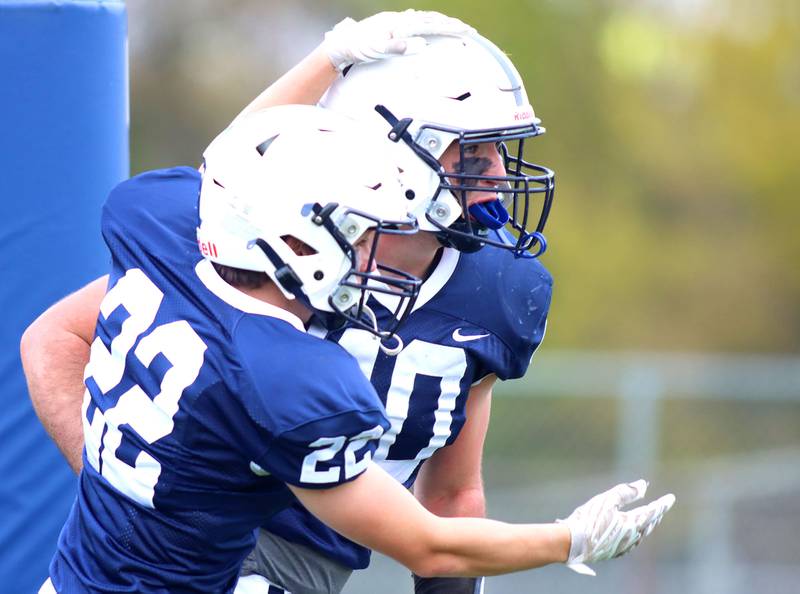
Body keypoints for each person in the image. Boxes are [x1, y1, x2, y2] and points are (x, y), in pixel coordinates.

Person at [21, 11, 675, 594]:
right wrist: (143, 501)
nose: (500, 174)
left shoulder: (496, 290)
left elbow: (448, 503)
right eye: (472, 152)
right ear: (384, 152)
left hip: (312, 560)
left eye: (500, 148)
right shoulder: (265, 276)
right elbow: (54, 340)